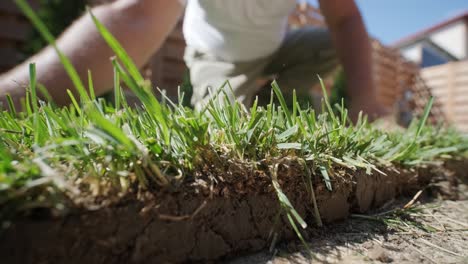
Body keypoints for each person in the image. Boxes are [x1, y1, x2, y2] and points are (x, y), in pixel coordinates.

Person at [0, 0, 387, 120]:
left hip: (278, 49)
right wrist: (16, 97)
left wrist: (364, 99)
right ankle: (240, 101)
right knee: (226, 126)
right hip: (218, 54)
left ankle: (272, 100)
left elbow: (346, 19)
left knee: (332, 44)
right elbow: (136, 16)